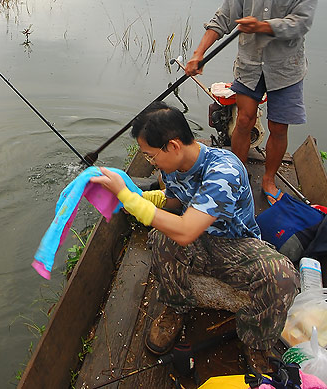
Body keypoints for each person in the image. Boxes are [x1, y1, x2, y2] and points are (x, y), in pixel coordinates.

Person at [91, 102, 298, 362]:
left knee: (282, 276)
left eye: (151, 155)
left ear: (174, 146)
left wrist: (129, 200)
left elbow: (186, 231)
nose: (151, 162)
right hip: (200, 240)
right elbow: (176, 199)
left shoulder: (224, 171)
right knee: (162, 237)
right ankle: (176, 307)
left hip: (235, 245)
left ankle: (256, 343)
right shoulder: (176, 167)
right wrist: (144, 197)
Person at [184, 0, 320, 204]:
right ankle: (237, 175)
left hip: (286, 68)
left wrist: (262, 26)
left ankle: (269, 181)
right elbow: (221, 19)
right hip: (249, 66)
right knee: (244, 120)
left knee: (278, 126)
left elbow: (302, 22)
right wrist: (198, 55)